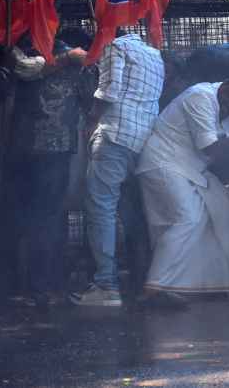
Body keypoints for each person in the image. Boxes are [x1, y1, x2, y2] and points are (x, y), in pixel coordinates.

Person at [135, 69, 229, 307]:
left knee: (227, 213)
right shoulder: (200, 96)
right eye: (228, 98)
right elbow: (212, 149)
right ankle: (155, 287)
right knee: (187, 218)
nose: (228, 106)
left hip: (192, 170)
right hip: (165, 162)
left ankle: (203, 286)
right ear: (225, 84)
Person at [70, 32, 164, 307]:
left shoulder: (114, 46)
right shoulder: (154, 53)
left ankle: (106, 285)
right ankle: (142, 276)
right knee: (131, 211)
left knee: (100, 209)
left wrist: (91, 120)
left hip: (115, 137)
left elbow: (108, 91)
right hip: (143, 140)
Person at [2, 37, 89, 307]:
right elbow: (88, 100)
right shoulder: (71, 58)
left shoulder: (17, 52)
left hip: (24, 147)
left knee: (24, 217)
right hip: (53, 149)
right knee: (48, 218)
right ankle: (44, 286)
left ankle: (24, 286)